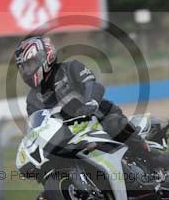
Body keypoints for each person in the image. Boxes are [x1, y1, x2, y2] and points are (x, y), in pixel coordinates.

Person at [15, 36, 154, 160]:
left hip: (98, 119)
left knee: (114, 124)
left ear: (45, 57)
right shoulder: (32, 100)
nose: (26, 71)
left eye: (30, 64)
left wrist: (91, 103)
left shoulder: (70, 68)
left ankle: (148, 153)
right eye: (23, 67)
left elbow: (92, 85)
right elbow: (37, 127)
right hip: (70, 138)